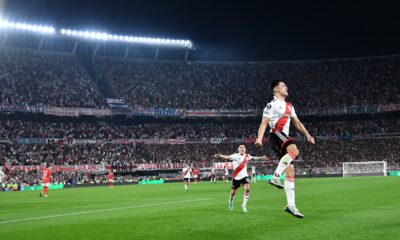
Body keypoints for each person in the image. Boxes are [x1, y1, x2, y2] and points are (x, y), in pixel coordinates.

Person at [255, 80, 315, 218]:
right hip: (276, 134)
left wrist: (307, 134)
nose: (286, 87)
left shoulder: (289, 106)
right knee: (294, 150)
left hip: (283, 136)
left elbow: (297, 123)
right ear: (276, 90)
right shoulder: (272, 105)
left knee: (291, 171)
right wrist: (259, 138)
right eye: (283, 86)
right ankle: (275, 177)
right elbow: (264, 122)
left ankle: (291, 205)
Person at [215, 145, 268, 213]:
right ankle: (231, 201)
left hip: (244, 176)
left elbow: (255, 158)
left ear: (245, 149)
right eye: (241, 148)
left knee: (248, 189)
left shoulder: (247, 156)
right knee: (233, 192)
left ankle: (244, 205)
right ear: (238, 149)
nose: (242, 149)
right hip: (236, 177)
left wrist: (261, 157)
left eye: (243, 148)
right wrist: (219, 155)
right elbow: (227, 157)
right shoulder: (235, 156)